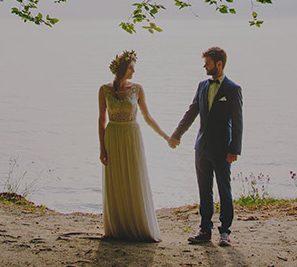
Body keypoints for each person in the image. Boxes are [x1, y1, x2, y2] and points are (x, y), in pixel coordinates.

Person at [169, 46, 243, 247]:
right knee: (204, 190)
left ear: (219, 64)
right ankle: (204, 229)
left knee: (224, 189)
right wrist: (177, 134)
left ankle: (225, 231)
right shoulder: (202, 86)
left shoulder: (233, 89)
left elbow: (238, 121)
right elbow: (192, 112)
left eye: (208, 63)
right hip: (201, 147)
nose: (204, 66)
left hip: (222, 149)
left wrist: (234, 149)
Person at [98, 49, 169, 241]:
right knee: (115, 180)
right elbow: (101, 120)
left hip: (131, 136)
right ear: (122, 69)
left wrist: (166, 136)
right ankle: (117, 227)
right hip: (113, 136)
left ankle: (138, 225)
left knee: (133, 178)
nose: (133, 71)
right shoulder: (104, 90)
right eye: (130, 68)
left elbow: (147, 117)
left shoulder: (137, 89)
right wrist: (102, 149)